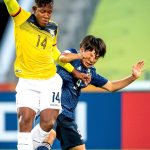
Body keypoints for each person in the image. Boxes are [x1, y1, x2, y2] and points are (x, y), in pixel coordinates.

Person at [3, 0, 91, 150]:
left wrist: (75, 72)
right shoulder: (21, 18)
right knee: (25, 119)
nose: (46, 16)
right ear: (34, 9)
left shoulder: (53, 28)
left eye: (49, 12)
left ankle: (27, 145)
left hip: (50, 81)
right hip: (27, 81)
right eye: (42, 11)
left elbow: (55, 53)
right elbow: (10, 2)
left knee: (48, 123)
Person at [35, 35, 144, 150]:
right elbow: (62, 58)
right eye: (90, 55)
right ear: (82, 49)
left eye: (96, 57)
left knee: (79, 148)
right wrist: (80, 55)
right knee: (49, 135)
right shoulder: (72, 55)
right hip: (51, 105)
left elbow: (111, 86)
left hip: (67, 115)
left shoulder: (90, 73)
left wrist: (132, 77)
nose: (92, 60)